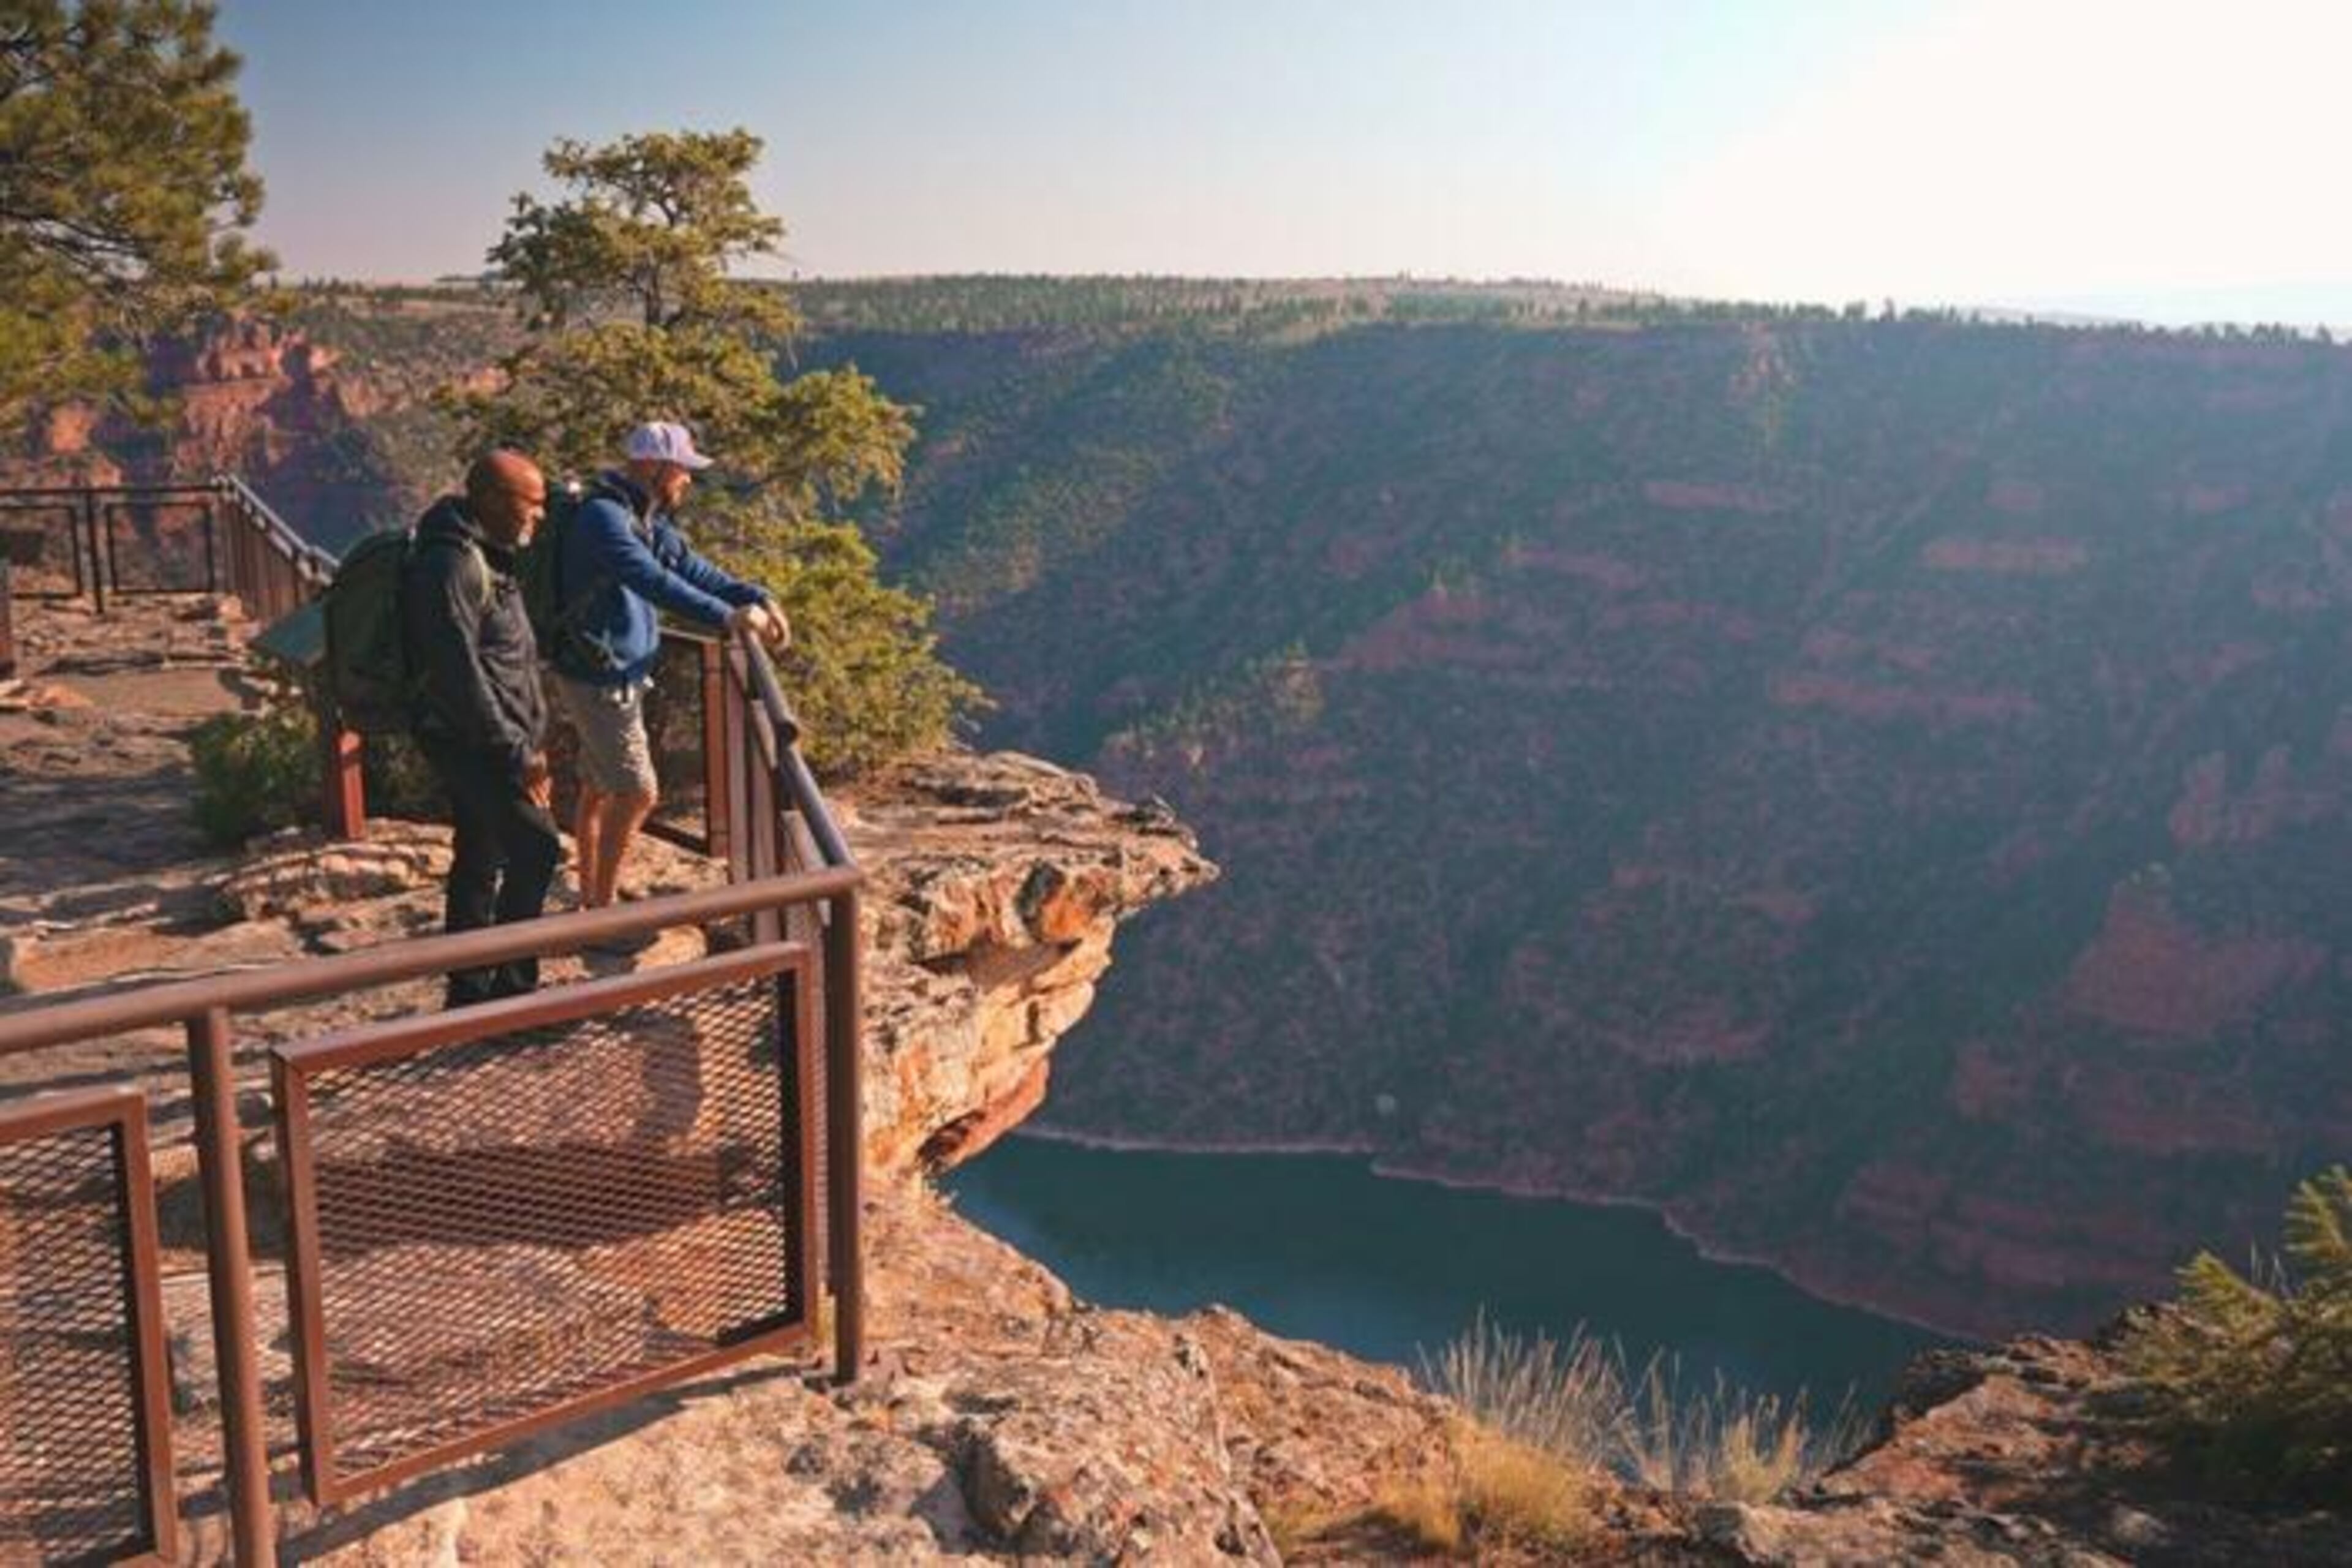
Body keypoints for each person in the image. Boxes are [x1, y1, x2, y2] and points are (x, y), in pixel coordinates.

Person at [549, 421, 788, 910]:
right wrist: (729, 617)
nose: (688, 480)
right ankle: (602, 908)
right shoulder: (605, 518)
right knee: (636, 792)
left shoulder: (643, 516)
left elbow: (691, 569)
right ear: (655, 467)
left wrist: (756, 596)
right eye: (682, 469)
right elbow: (652, 579)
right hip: (600, 676)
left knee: (599, 784)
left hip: (611, 670)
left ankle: (593, 888)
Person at [402, 450, 560, 1008]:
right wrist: (515, 752)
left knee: (481, 853)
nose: (540, 515)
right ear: (494, 500)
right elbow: (458, 673)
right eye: (532, 504)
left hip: (490, 738)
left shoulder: (484, 553)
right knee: (537, 848)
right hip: (472, 741)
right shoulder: (449, 565)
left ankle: (469, 994)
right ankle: (512, 995)